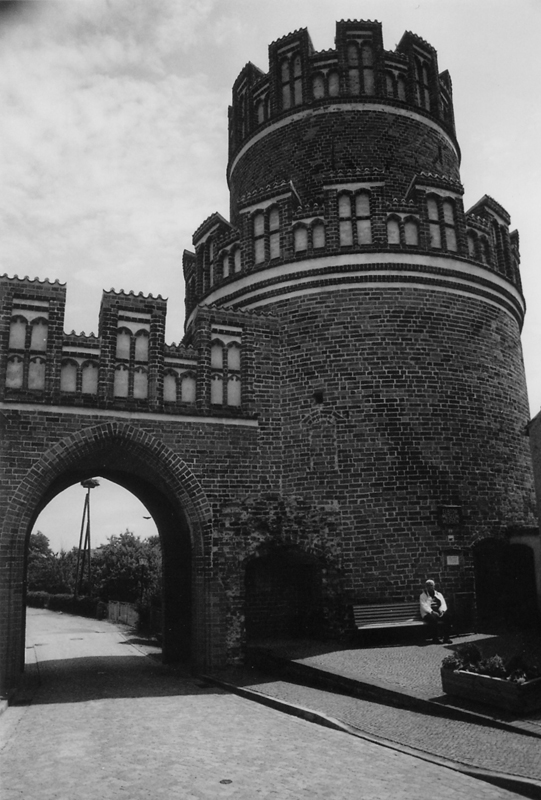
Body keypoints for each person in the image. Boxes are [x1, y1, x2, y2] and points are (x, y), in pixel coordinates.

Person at [419, 579, 452, 644]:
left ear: (434, 586)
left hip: (438, 611)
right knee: (433, 619)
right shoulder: (422, 596)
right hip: (428, 613)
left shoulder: (439, 594)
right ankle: (435, 638)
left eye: (431, 585)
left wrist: (442, 611)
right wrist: (432, 612)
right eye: (428, 585)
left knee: (448, 617)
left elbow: (443, 603)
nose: (429, 587)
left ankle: (446, 638)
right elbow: (424, 606)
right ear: (426, 587)